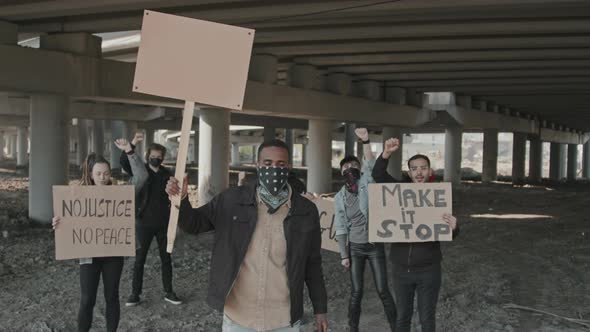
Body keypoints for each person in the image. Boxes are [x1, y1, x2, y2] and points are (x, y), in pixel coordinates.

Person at [166, 139, 328, 332]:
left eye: (280, 164)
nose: (274, 169)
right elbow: (194, 224)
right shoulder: (231, 200)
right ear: (258, 166)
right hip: (239, 318)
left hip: (283, 320)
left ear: (288, 167)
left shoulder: (306, 211)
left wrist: (320, 310)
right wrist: (182, 200)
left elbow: (313, 264)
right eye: (268, 164)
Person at [52, 139, 148, 332]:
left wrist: (130, 151)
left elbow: (142, 176)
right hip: (89, 254)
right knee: (87, 299)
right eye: (98, 174)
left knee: (112, 296)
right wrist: (59, 223)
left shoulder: (121, 192)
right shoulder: (78, 194)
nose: (103, 177)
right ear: (90, 174)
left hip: (114, 253)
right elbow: (69, 216)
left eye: (106, 173)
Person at [372, 138, 459, 332]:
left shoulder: (439, 197)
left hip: (429, 269)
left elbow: (446, 231)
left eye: (423, 168)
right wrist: (386, 153)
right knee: (403, 318)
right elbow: (377, 174)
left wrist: (454, 228)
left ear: (429, 171)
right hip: (401, 269)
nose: (419, 172)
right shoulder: (398, 192)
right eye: (414, 168)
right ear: (409, 172)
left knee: (427, 319)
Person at [333, 128, 396, 332]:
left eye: (353, 166)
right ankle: (353, 328)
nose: (349, 168)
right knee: (356, 291)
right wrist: (344, 254)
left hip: (374, 245)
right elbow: (341, 226)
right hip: (356, 249)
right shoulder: (339, 197)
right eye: (346, 166)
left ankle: (397, 327)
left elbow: (370, 163)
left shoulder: (367, 183)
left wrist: (366, 141)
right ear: (341, 171)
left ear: (358, 170)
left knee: (383, 290)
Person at [121, 133, 182, 306]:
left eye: (159, 157)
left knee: (166, 258)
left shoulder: (168, 174)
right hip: (143, 223)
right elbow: (125, 162)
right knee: (140, 259)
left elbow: (176, 196)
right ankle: (135, 294)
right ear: (148, 157)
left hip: (163, 223)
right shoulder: (141, 172)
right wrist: (131, 145)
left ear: (163, 158)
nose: (156, 159)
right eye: (153, 156)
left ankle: (169, 291)